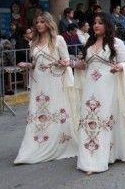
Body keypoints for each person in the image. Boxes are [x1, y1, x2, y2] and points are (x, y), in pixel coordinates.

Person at [73, 13, 125, 174]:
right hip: (90, 87)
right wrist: (73, 63)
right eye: (94, 22)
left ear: (107, 25)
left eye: (100, 23)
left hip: (108, 85)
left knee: (106, 117)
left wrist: (119, 67)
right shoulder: (89, 42)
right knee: (90, 117)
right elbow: (85, 65)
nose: (96, 25)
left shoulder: (117, 43)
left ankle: (108, 154)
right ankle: (90, 156)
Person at [14, 12, 78, 164]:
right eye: (37, 22)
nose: (39, 25)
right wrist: (28, 65)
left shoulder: (58, 40)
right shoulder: (33, 42)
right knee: (39, 110)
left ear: (49, 23)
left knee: (57, 109)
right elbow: (36, 63)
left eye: (42, 21)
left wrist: (57, 63)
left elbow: (66, 60)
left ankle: (61, 142)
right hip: (39, 81)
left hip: (55, 79)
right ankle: (37, 143)